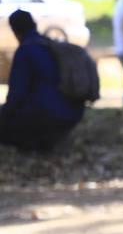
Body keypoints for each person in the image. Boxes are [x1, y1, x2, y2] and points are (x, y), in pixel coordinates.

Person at [0, 10, 85, 151]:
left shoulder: (25, 51)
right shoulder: (49, 45)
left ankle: (33, 144)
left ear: (15, 31)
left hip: (47, 114)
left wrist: (4, 115)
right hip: (73, 113)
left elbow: (17, 94)